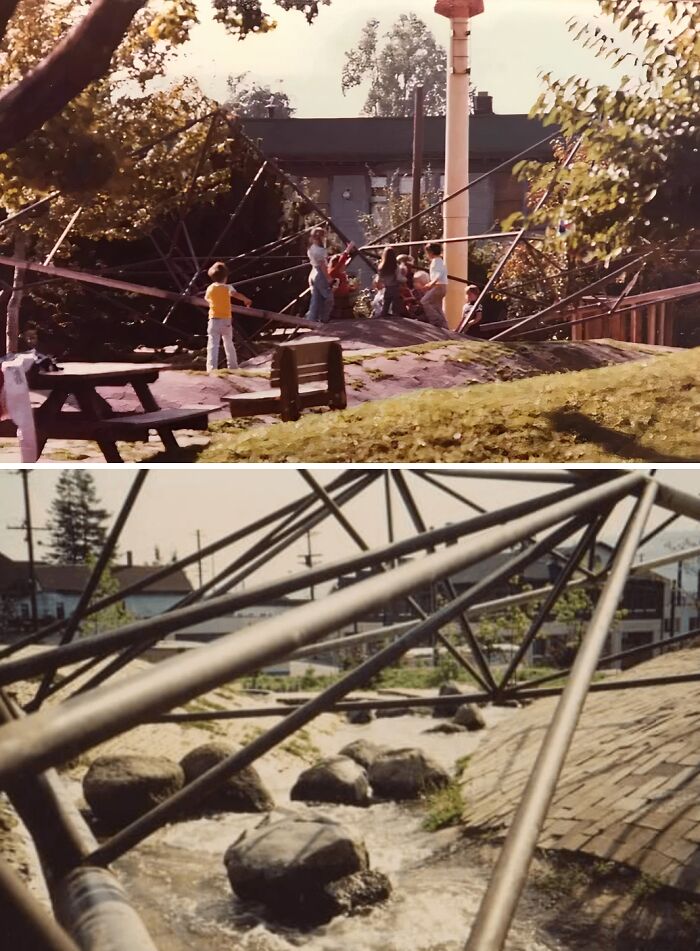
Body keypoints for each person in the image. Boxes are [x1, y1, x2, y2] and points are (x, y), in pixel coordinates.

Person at [204, 261, 252, 372]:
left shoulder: (210, 288)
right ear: (225, 277)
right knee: (228, 343)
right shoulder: (228, 288)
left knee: (213, 344)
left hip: (213, 319)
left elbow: (207, 299)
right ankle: (233, 366)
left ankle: (211, 368)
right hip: (226, 319)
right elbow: (236, 295)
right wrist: (246, 300)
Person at [307, 227, 334, 323]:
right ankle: (324, 318)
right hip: (320, 274)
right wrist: (329, 278)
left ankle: (312, 319)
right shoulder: (320, 251)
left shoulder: (311, 249)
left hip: (313, 272)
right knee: (329, 297)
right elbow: (322, 265)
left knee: (316, 298)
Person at [421, 242, 449, 329]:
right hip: (442, 286)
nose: (427, 255)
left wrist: (431, 284)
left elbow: (438, 274)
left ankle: (436, 320)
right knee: (437, 306)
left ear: (431, 253)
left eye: (427, 253)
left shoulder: (436, 261)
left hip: (438, 286)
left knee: (424, 301)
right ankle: (444, 325)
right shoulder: (440, 261)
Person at [328, 242, 357, 321]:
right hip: (337, 298)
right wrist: (348, 249)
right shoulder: (334, 272)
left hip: (345, 298)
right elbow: (342, 260)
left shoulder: (343, 274)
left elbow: (343, 285)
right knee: (337, 316)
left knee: (347, 316)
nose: (345, 265)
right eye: (343, 264)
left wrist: (351, 288)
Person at [377, 246, 406, 318]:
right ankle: (395, 315)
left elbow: (380, 279)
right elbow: (399, 278)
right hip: (395, 287)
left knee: (386, 303)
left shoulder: (381, 267)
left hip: (387, 287)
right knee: (395, 303)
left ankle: (383, 314)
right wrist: (405, 279)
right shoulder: (395, 267)